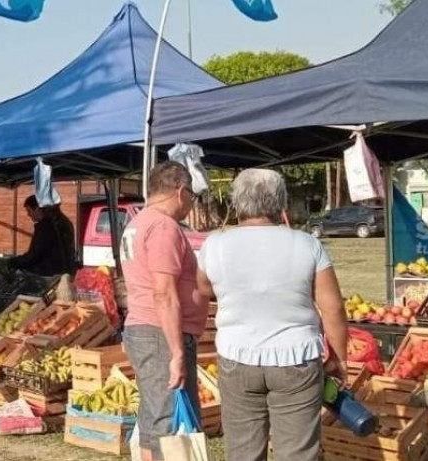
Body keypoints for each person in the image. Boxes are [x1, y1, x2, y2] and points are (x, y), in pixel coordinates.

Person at [195, 169, 348, 461]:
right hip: (296, 359)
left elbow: (203, 287)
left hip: (237, 357)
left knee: (242, 451)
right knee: (297, 453)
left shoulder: (214, 244)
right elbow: (333, 308)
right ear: (281, 203)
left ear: (236, 203)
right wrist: (338, 358)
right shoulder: (306, 244)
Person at [119, 161, 206, 461]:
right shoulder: (163, 226)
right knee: (166, 419)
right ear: (181, 191)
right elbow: (164, 292)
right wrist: (177, 352)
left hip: (145, 327)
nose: (191, 204)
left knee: (154, 414)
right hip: (160, 332)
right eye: (192, 196)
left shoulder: (138, 222)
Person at [9, 195, 77, 276]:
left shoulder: (46, 227)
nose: (28, 214)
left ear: (37, 209)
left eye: (29, 211)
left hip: (48, 274)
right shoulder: (62, 222)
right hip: (63, 272)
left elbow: (35, 255)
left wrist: (12, 262)